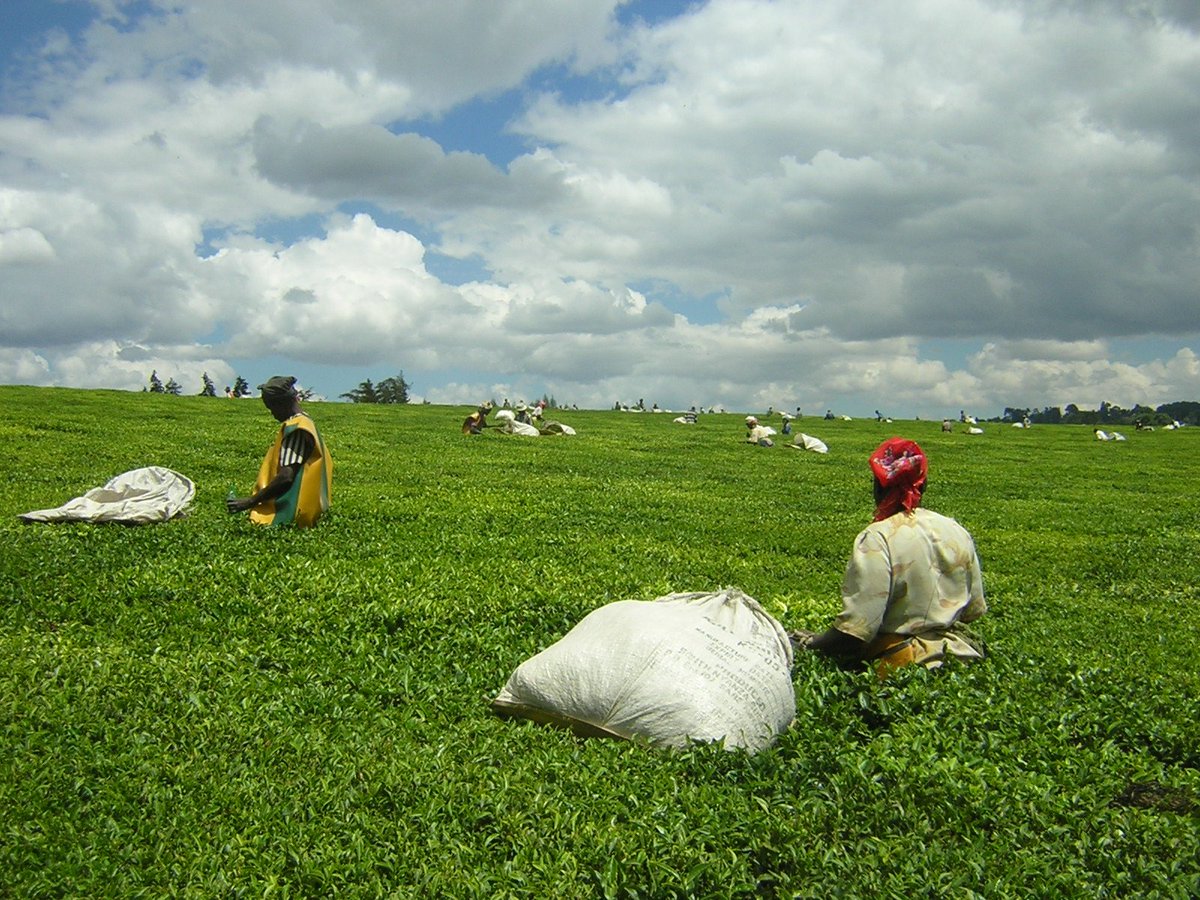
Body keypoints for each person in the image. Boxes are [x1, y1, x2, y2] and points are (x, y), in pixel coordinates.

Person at [791, 438, 986, 676]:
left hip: (904, 664)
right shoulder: (956, 530)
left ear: (878, 486)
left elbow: (854, 632)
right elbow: (973, 611)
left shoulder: (877, 537)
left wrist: (811, 643)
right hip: (961, 657)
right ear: (923, 486)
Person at [226, 376, 331, 528]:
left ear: (281, 404)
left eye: (271, 408)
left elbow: (286, 477)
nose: (272, 413)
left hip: (290, 515)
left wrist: (250, 501)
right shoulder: (308, 422)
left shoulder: (296, 428)